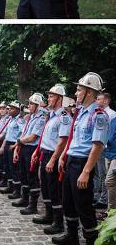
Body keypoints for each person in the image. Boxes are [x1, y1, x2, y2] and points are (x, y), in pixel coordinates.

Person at [53, 73, 110, 245]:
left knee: (84, 206)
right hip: (71, 161)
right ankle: (71, 235)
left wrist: (86, 171)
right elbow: (73, 139)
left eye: (79, 89)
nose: (76, 92)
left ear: (90, 92)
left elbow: (97, 146)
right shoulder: (80, 112)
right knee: (68, 200)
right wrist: (63, 156)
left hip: (83, 163)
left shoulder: (98, 115)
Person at [34, 85, 71, 234]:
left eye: (52, 96)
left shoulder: (63, 117)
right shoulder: (51, 116)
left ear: (60, 98)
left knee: (55, 189)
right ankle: (49, 215)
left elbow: (63, 141)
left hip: (53, 156)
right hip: (46, 153)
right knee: (46, 187)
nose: (48, 98)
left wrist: (53, 159)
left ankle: (58, 222)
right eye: (48, 96)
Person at [14, 94, 47, 214]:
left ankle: (33, 204)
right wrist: (18, 146)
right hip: (24, 147)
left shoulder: (41, 118)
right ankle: (25, 198)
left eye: (31, 104)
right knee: (23, 174)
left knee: (32, 176)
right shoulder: (31, 117)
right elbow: (24, 133)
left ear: (38, 105)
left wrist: (19, 141)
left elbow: (33, 137)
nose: (29, 106)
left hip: (32, 149)